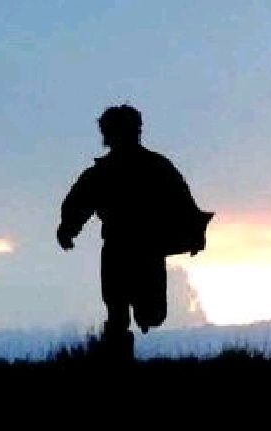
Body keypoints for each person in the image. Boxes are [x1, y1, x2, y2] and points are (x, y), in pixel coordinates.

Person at [57, 104, 208, 356]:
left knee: (152, 314)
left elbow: (182, 202)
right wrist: (67, 229)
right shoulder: (103, 172)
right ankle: (118, 362)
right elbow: (78, 203)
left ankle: (138, 323)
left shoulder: (157, 167)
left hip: (148, 248)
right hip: (118, 248)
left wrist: (193, 234)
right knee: (117, 313)